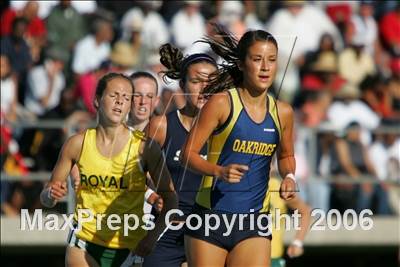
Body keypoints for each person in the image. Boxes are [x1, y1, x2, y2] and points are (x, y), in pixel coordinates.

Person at [181, 24, 297, 266]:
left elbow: (286, 156)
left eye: (272, 60)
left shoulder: (283, 112)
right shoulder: (221, 103)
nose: (265, 67)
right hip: (210, 219)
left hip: (254, 224)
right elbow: (187, 154)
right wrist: (219, 171)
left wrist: (290, 177)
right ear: (243, 64)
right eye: (257, 59)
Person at [40, 72, 178, 267]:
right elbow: (46, 198)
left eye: (126, 97)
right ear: (97, 101)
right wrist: (51, 194)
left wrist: (152, 236)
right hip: (83, 242)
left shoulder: (145, 147)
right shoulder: (76, 144)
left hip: (129, 247)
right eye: (114, 95)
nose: (120, 101)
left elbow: (171, 198)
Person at [143, 44, 218, 267]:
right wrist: (153, 196)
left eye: (211, 83)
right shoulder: (162, 126)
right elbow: (136, 174)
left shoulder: (226, 130)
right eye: (196, 82)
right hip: (167, 229)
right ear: (183, 85)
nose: (204, 89)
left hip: (211, 231)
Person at [268, 177, 311, 267]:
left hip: (273, 257)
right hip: (245, 255)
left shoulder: (278, 187)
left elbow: (305, 212)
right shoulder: (242, 187)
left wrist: (297, 242)